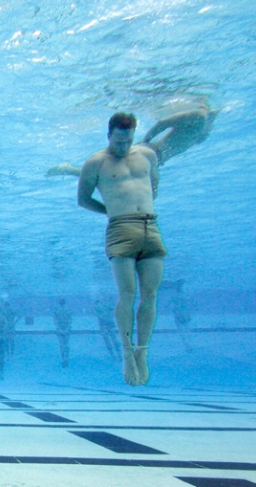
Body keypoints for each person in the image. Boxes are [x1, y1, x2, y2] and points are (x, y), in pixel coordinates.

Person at [78, 112, 166, 386]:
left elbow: (153, 187)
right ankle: (127, 354)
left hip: (150, 226)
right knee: (127, 293)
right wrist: (113, 212)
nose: (123, 146)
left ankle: (143, 352)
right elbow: (83, 199)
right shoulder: (96, 162)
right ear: (108, 136)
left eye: (127, 140)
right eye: (118, 140)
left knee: (150, 294)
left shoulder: (147, 156)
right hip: (120, 229)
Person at [46, 104, 218, 177]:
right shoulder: (200, 116)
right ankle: (67, 169)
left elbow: (187, 140)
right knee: (105, 172)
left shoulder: (206, 124)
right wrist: (145, 144)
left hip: (155, 158)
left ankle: (68, 169)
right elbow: (163, 123)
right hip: (150, 153)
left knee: (106, 172)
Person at [167, 279, 193, 351]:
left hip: (179, 314)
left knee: (182, 331)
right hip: (184, 314)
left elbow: (170, 306)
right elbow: (189, 304)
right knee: (186, 330)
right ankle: (188, 345)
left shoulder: (174, 297)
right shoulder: (185, 296)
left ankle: (187, 345)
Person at [93, 295, 121, 360]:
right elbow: (114, 309)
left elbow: (97, 314)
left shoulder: (95, 307)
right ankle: (118, 354)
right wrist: (110, 318)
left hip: (103, 324)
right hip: (110, 323)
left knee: (107, 340)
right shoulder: (107, 305)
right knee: (114, 339)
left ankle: (113, 355)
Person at [53, 298, 73, 368]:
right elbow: (70, 320)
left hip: (60, 329)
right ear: (65, 303)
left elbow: (55, 321)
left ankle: (63, 359)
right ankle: (66, 358)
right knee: (66, 344)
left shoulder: (56, 311)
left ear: (59, 303)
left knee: (61, 344)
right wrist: (67, 328)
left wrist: (59, 328)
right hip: (67, 328)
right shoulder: (69, 310)